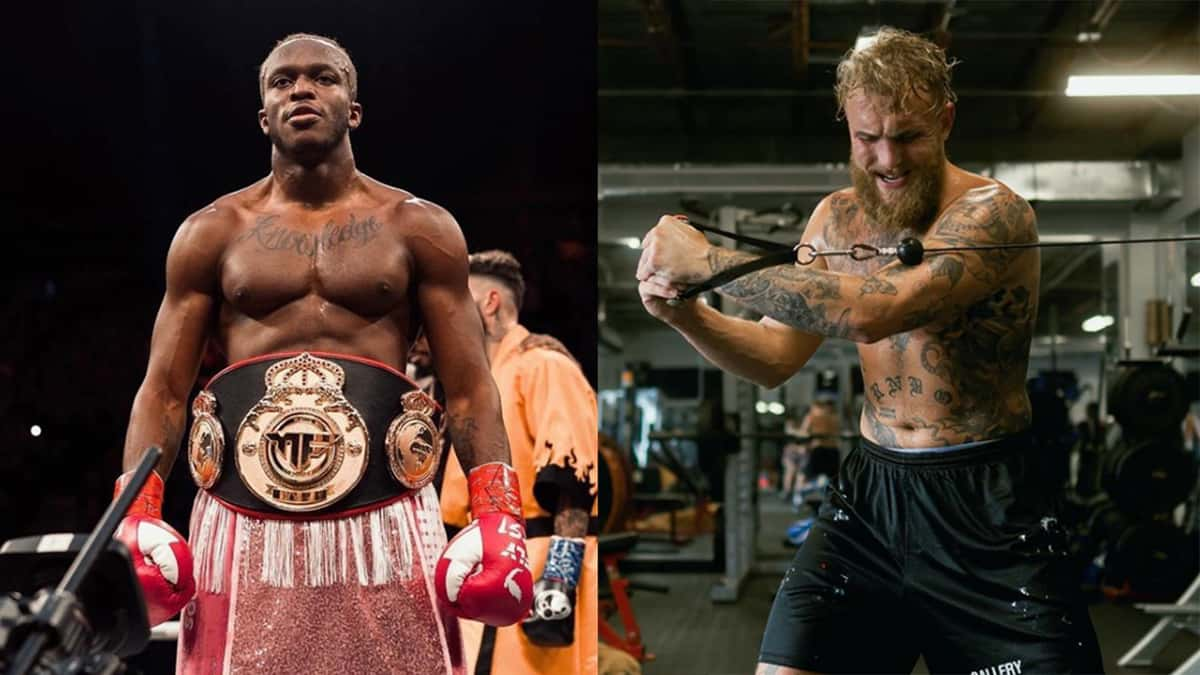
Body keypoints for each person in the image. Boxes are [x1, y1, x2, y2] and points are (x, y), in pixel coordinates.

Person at [636, 27, 1103, 675]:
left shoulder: (994, 214)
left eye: (908, 135)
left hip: (988, 507)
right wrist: (685, 312)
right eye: (866, 138)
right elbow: (774, 356)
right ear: (846, 125)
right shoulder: (835, 220)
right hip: (871, 498)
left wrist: (709, 263)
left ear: (946, 118)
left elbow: (874, 311)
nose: (887, 159)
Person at [111, 34, 532, 674]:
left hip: (385, 516)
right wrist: (136, 513)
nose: (301, 89)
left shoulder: (419, 227)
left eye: (322, 78)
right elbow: (164, 391)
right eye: (282, 82)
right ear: (264, 116)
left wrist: (498, 514)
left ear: (353, 108)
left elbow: (470, 387)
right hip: (240, 517)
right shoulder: (210, 232)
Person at [440, 250, 599, 675]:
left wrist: (559, 582)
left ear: (489, 302)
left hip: (534, 559)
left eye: (459, 297)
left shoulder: (544, 364)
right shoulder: (478, 381)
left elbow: (575, 478)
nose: (446, 310)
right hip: (472, 561)